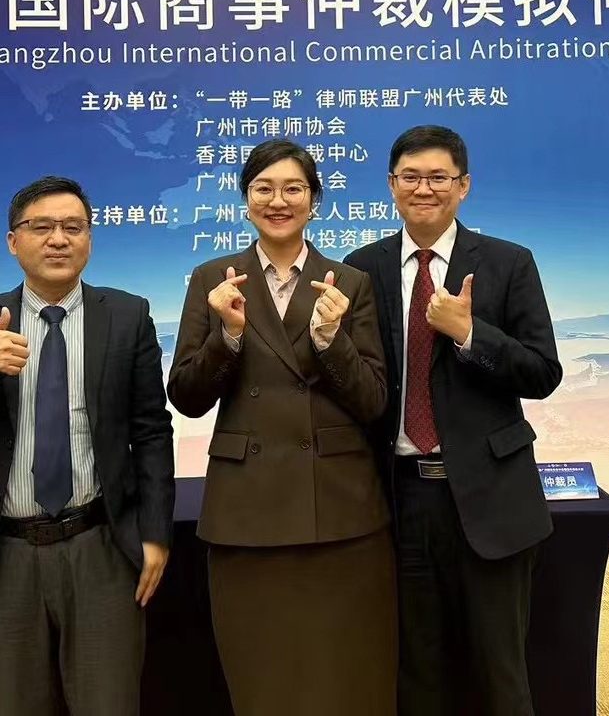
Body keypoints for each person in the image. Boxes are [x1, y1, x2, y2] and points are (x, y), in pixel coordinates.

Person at [168, 139, 397, 716]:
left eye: (293, 188)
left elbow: (373, 401)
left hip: (339, 509)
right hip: (248, 509)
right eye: (264, 188)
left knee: (349, 676)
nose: (278, 201)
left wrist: (330, 340)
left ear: (314, 200)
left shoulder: (348, 282)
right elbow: (187, 397)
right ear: (245, 199)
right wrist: (227, 336)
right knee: (264, 676)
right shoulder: (212, 280)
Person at [345, 125, 562, 716]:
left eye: (438, 177)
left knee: (500, 675)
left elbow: (543, 372)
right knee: (416, 674)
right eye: (411, 177)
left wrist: (470, 334)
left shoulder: (508, 263)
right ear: (391, 185)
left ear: (463, 186)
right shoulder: (361, 268)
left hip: (491, 500)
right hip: (399, 499)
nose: (424, 188)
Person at [0, 175, 175, 716]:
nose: (58, 239)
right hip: (7, 553)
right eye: (42, 227)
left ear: (90, 239)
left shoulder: (126, 315)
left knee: (109, 702)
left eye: (73, 227)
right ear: (13, 241)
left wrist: (156, 534)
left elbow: (151, 430)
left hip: (99, 545)